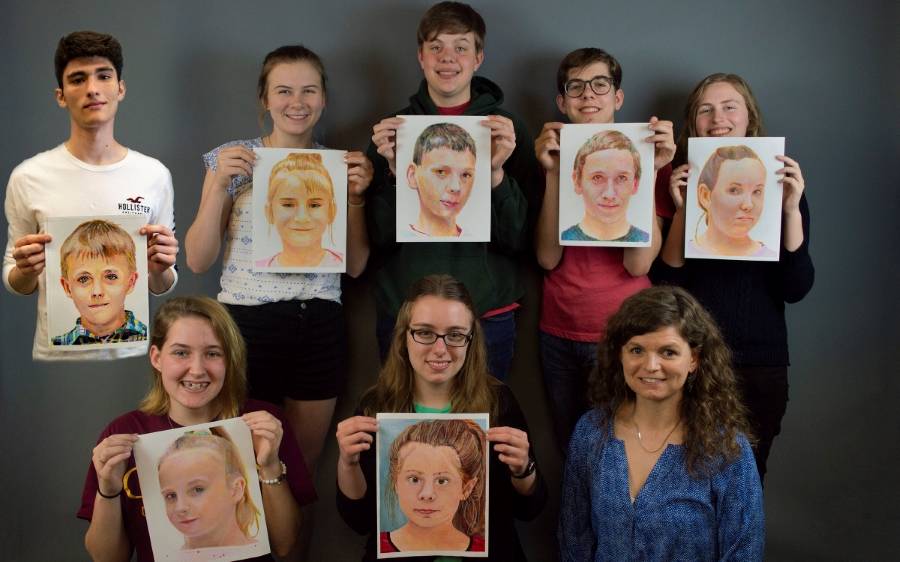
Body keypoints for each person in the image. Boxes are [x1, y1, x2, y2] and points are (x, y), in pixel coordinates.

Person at [184, 45, 373, 476]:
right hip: (248, 325)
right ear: (265, 99)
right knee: (240, 468)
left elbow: (357, 265)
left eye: (309, 90)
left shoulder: (337, 168)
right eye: (284, 90)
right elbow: (197, 259)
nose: (297, 102)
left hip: (321, 326)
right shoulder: (230, 158)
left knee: (299, 471)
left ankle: (293, 547)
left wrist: (356, 198)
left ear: (323, 99)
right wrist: (218, 187)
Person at [366, 1, 545, 381]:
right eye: (436, 46)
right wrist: (397, 175)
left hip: (485, 315)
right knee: (406, 430)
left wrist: (495, 172)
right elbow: (377, 239)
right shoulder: (393, 133)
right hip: (406, 315)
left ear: (478, 58)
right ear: (420, 56)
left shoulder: (507, 130)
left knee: (481, 429)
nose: (448, 58)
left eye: (461, 47)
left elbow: (521, 239)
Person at [653, 73, 814, 482]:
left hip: (760, 365)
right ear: (694, 121)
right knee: (686, 478)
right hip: (694, 361)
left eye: (729, 107)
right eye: (705, 109)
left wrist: (790, 211)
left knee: (746, 482)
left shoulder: (780, 188)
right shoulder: (685, 182)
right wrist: (685, 209)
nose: (718, 117)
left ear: (749, 116)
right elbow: (666, 284)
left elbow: (795, 288)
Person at [78, 296, 317, 561]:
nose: (197, 369)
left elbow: (285, 544)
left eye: (212, 354)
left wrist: (270, 466)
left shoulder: (263, 423)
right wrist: (108, 490)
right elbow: (107, 558)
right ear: (157, 358)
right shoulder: (125, 433)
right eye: (181, 353)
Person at [335, 274, 547, 561]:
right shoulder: (375, 406)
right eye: (425, 332)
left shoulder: (499, 402)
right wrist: (347, 463)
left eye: (455, 335)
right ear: (403, 336)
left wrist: (524, 468)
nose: (440, 348)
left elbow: (529, 510)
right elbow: (359, 522)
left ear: (470, 340)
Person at [533, 47, 675, 454]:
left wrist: (649, 172)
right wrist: (554, 173)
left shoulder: (649, 161)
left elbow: (639, 264)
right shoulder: (552, 156)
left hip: (622, 333)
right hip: (557, 329)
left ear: (618, 98)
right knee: (570, 450)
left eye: (600, 84)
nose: (588, 95)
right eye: (575, 87)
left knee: (618, 454)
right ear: (562, 102)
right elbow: (546, 257)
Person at [3, 30, 177, 360]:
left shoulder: (154, 174)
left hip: (133, 358)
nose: (92, 89)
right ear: (61, 95)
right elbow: (16, 281)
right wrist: (25, 269)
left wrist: (163, 265)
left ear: (120, 88)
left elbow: (159, 283)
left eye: (104, 76)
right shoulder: (28, 177)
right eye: (78, 79)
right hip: (55, 359)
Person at [558, 286, 764, 561]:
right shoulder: (591, 430)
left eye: (668, 352)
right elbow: (573, 540)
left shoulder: (727, 448)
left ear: (694, 358)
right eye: (637, 350)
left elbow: (744, 552)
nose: (651, 365)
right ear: (620, 354)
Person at [381, 419, 487, 553]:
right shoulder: (379, 548)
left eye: (442, 481)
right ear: (396, 482)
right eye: (414, 479)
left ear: (466, 488)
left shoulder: (483, 551)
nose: (426, 494)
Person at [158, 427, 261, 551]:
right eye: (171, 495)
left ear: (236, 489)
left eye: (197, 489)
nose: (180, 507)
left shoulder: (258, 549)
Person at [52, 219, 146, 345]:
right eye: (83, 279)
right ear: (68, 288)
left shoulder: (151, 340)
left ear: (131, 282)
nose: (97, 292)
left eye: (111, 277)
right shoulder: (57, 345)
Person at [256, 152, 344, 268]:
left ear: (332, 212)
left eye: (314, 205)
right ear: (269, 212)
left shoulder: (343, 263)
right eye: (288, 205)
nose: (302, 218)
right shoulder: (259, 267)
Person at [561, 130, 648, 242]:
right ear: (577, 182)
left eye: (621, 178)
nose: (609, 194)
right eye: (597, 177)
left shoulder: (644, 240)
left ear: (635, 184)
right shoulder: (563, 238)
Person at [689, 144, 775, 257]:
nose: (748, 205)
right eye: (733, 190)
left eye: (757, 192)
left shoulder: (771, 256)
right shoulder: (683, 252)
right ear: (705, 196)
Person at [403, 123, 478, 238]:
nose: (456, 187)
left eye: (466, 175)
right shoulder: (399, 239)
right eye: (441, 172)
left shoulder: (476, 239)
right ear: (412, 176)